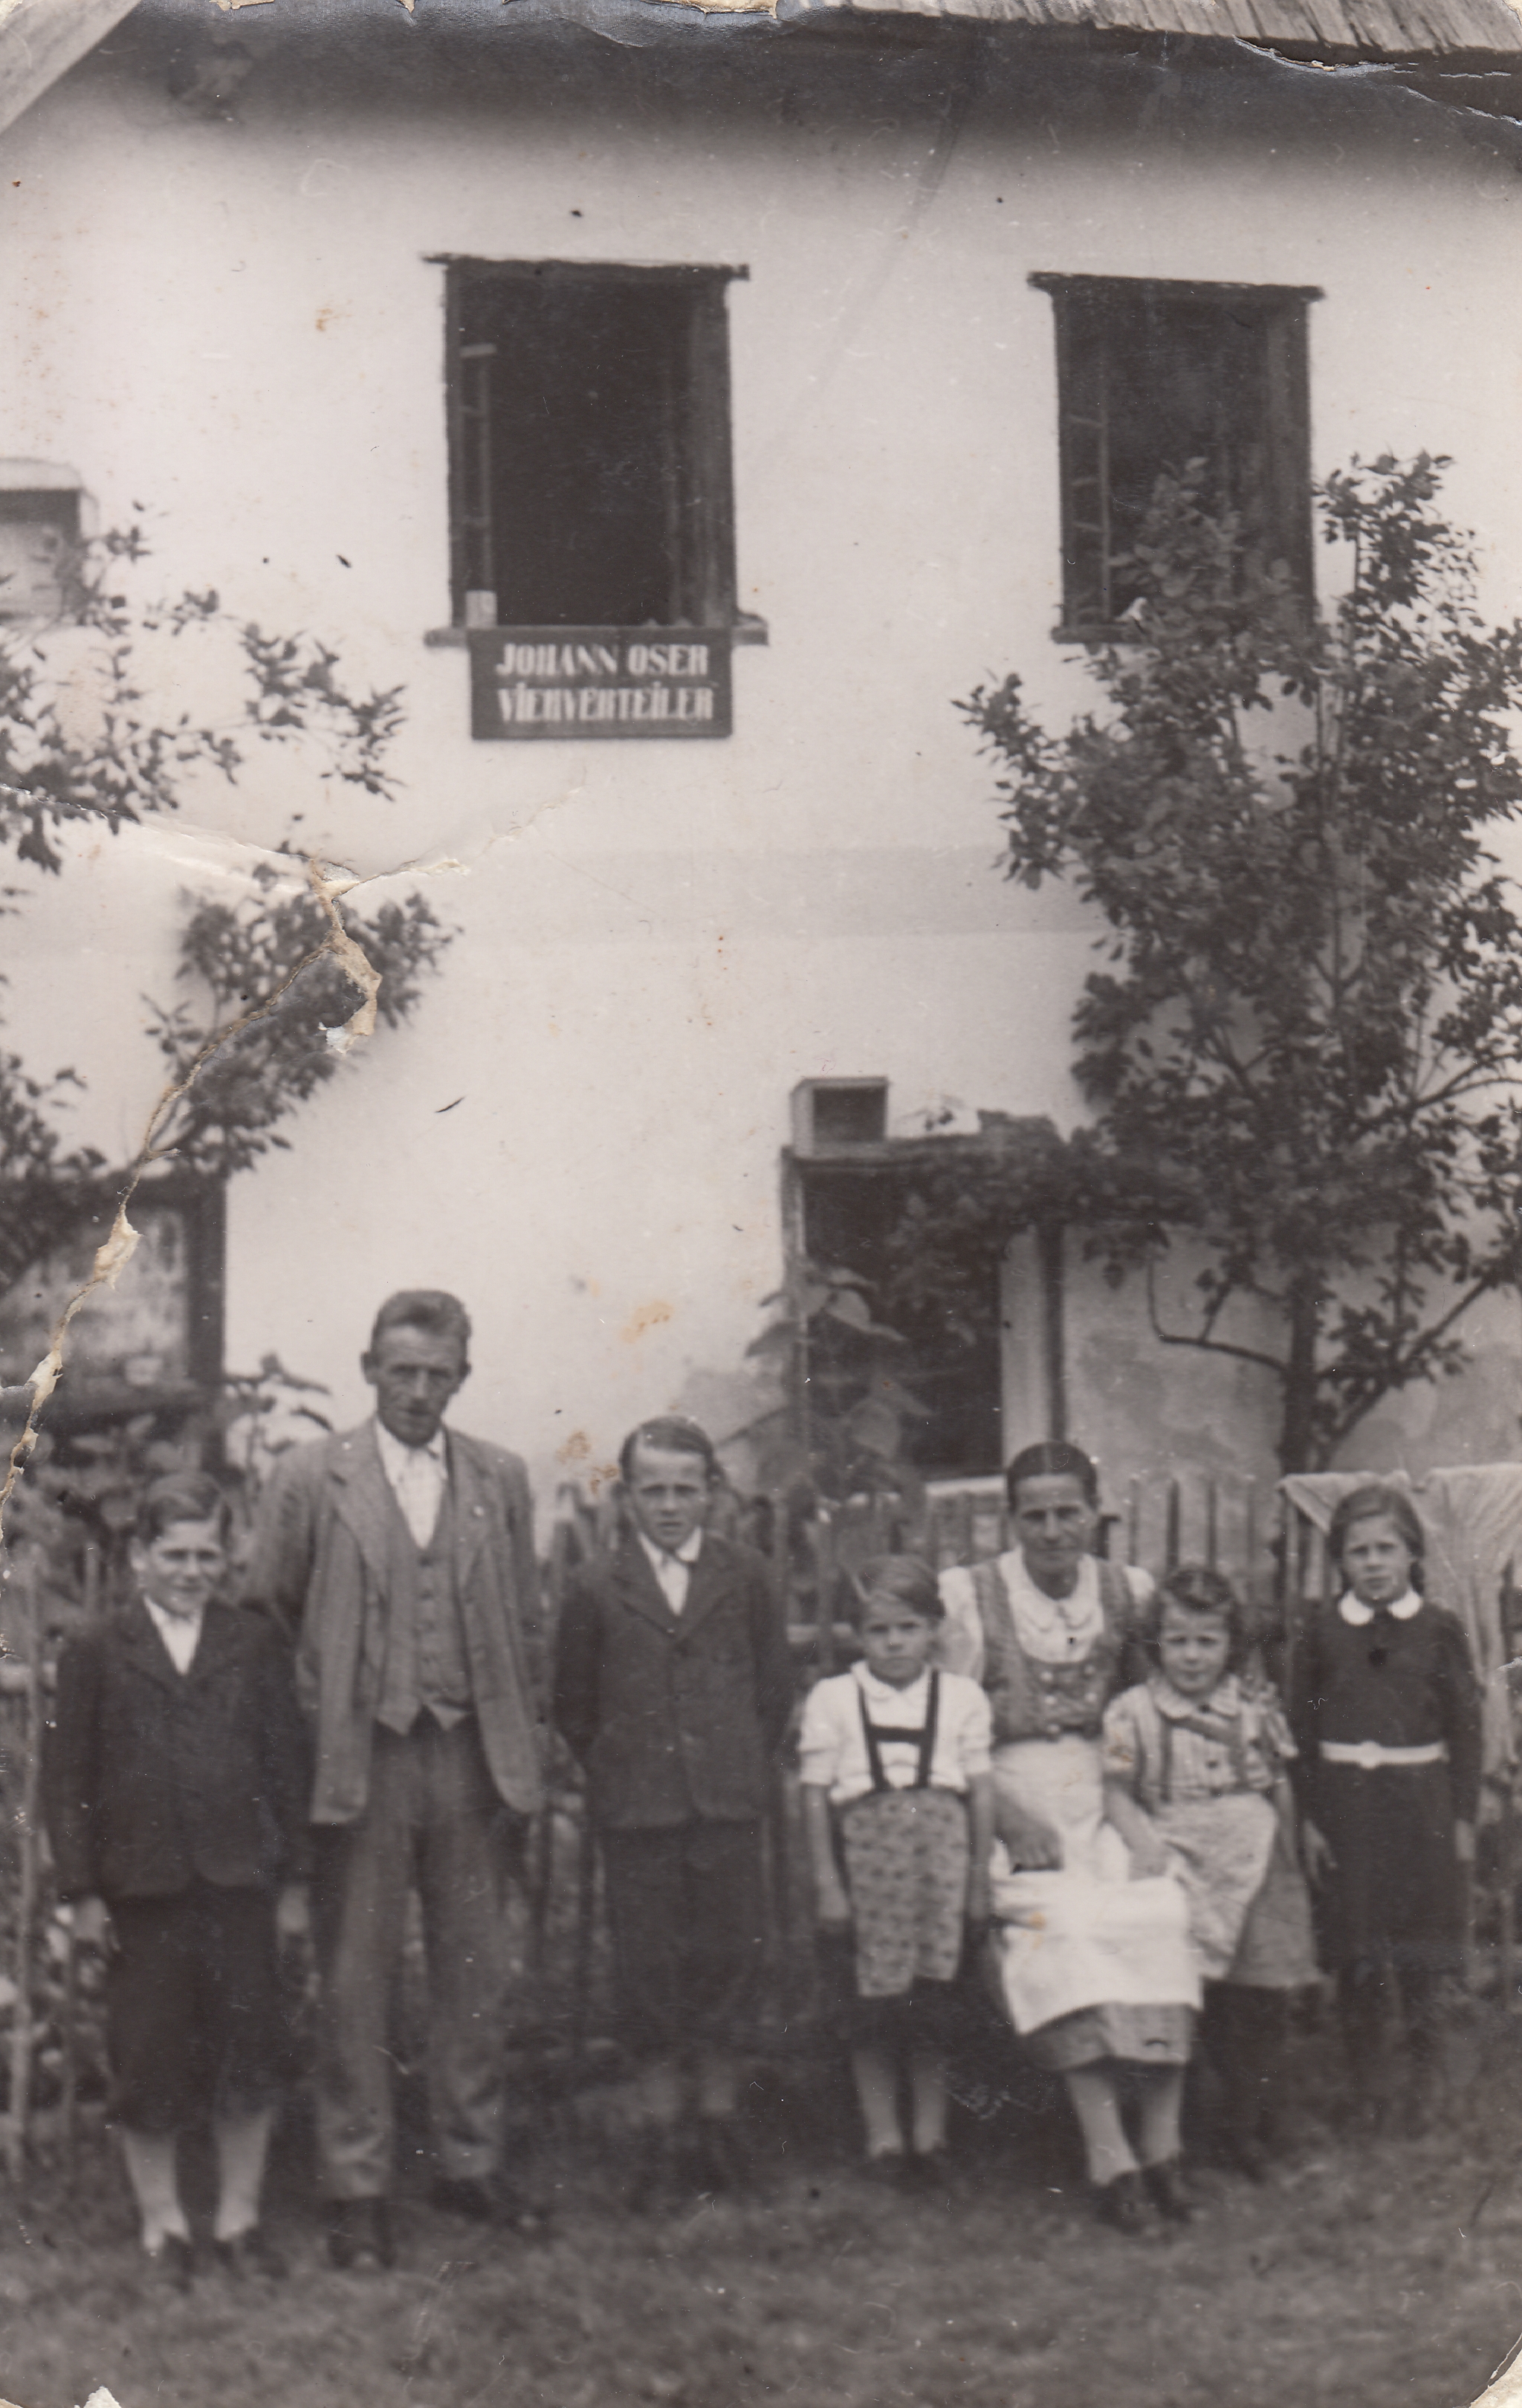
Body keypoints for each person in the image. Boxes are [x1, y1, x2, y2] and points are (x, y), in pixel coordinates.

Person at [245, 1290, 544, 2269]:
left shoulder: (499, 1477)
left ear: (463, 1377)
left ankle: (470, 2160)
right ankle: (357, 2185)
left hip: (469, 1756)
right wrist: (318, 1718)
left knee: (475, 1971)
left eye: (437, 1374)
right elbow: (268, 1615)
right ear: (369, 1368)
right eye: (401, 1370)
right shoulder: (310, 1477)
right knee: (354, 1980)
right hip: (357, 1759)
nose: (418, 1390)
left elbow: (522, 1617)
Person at [44, 1472, 309, 2291]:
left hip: (239, 1884)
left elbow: (287, 1768)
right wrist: (84, 1894)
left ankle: (238, 2220)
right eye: (176, 1555)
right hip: (142, 1892)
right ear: (139, 1557)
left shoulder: (253, 1642)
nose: (193, 1572)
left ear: (227, 1558)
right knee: (149, 2058)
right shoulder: (97, 1648)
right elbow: (67, 1780)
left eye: (208, 1556)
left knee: (248, 2054)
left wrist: (294, 1885)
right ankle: (163, 2225)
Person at [937, 1439, 1199, 2233]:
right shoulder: (972, 1596)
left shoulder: (1127, 1591)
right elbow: (948, 1726)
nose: (1052, 1531)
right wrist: (1007, 1819)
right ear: (1011, 1520)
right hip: (1006, 1792)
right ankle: (1107, 2154)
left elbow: (1154, 1705)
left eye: (1067, 1513)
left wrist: (1139, 1813)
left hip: (1108, 1791)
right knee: (1068, 1930)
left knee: (1160, 1911)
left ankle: (1163, 2146)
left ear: (1094, 1513)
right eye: (1035, 1516)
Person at [553, 1415, 794, 2207]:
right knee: (648, 1970)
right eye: (652, 1491)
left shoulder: (747, 1575)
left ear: (711, 1493)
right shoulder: (596, 1585)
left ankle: (718, 2128)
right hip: (639, 1811)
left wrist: (733, 1762)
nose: (668, 1506)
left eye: (684, 1490)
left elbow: (772, 1689)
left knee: (729, 1960)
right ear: (626, 1496)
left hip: (726, 1802)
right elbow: (575, 1705)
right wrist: (624, 1769)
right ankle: (660, 2138)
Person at [1101, 1565, 1316, 2181]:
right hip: (1179, 1855)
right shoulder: (1131, 1712)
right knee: (1188, 1996)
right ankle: (1187, 2129)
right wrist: (1144, 1845)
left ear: (1231, 1645)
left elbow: (1278, 1783)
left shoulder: (1252, 1706)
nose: (1192, 1656)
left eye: (1207, 1641)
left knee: (1260, 1997)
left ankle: (1251, 2125)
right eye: (1178, 1641)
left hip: (1255, 1855)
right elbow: (1116, 1791)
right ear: (1156, 1644)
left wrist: (1290, 1855)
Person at [1291, 1482, 1481, 2136]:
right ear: (1339, 1561)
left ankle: (1425, 2083)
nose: (1373, 1563)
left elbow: (1465, 1730)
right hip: (1348, 1812)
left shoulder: (1439, 1629)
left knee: (1423, 1954)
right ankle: (1368, 2087)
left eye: (1386, 1549)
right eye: (1358, 1551)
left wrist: (1462, 1821)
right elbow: (1300, 1732)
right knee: (1360, 1952)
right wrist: (1309, 1819)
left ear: (1412, 1554)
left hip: (1421, 1807)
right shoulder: (1321, 1633)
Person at [800, 1556, 994, 2185]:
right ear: (858, 1635)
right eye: (878, 1631)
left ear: (934, 1629)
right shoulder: (834, 1698)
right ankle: (883, 2137)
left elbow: (981, 1793)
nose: (894, 1643)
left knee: (934, 2001)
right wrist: (828, 1884)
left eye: (909, 1628)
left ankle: (931, 2137)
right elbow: (814, 1794)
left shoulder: (961, 1697)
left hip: (941, 1862)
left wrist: (978, 1881)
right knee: (872, 2006)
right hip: (867, 1863)